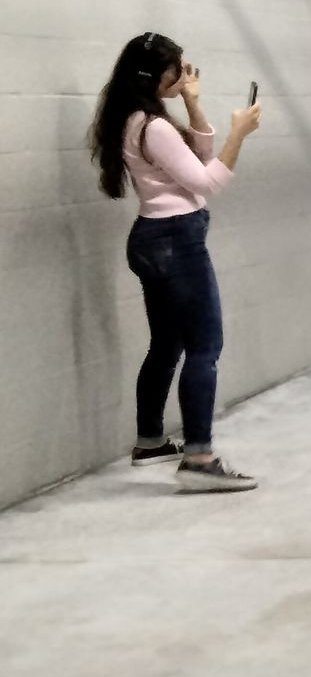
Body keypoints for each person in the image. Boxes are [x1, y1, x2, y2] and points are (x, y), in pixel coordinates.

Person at [87, 33, 263, 492]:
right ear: (155, 74)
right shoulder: (154, 127)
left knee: (167, 345)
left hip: (153, 238)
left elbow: (197, 158)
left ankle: (150, 442)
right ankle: (199, 460)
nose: (184, 75)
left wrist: (192, 103)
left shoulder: (136, 119)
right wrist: (239, 135)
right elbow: (207, 182)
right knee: (206, 345)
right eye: (177, 69)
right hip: (175, 240)